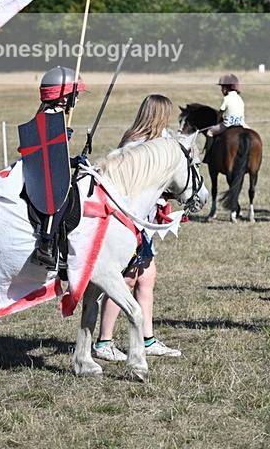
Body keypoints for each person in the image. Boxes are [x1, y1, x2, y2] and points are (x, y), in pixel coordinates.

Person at [91, 93, 182, 362]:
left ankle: (148, 339)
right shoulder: (136, 145)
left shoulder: (154, 143)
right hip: (128, 223)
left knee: (147, 278)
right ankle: (103, 342)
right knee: (125, 280)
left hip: (143, 222)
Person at [27, 66, 86, 270]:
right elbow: (42, 153)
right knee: (61, 195)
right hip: (40, 173)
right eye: (75, 94)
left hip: (48, 167)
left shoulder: (56, 115)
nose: (77, 99)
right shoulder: (49, 116)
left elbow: (55, 158)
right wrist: (57, 137)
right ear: (63, 97)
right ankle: (45, 244)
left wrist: (73, 161)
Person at [204, 73, 250, 160]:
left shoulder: (226, 99)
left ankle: (208, 156)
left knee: (209, 132)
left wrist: (217, 122)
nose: (221, 90)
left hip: (227, 124)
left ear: (226, 87)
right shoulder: (240, 98)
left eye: (222, 87)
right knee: (252, 132)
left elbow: (220, 113)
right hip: (241, 123)